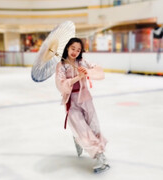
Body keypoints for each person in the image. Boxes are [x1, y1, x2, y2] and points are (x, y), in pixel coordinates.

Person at [55, 37, 110, 173]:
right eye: (73, 48)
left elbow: (98, 70)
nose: (75, 52)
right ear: (67, 48)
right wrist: (77, 77)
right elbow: (61, 85)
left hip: (85, 98)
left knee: (93, 125)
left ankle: (83, 142)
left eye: (78, 50)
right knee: (81, 128)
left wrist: (88, 72)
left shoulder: (82, 62)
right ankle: (99, 156)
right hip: (72, 101)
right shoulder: (61, 66)